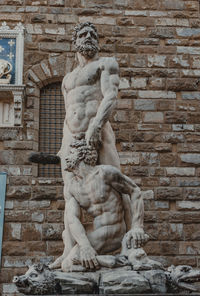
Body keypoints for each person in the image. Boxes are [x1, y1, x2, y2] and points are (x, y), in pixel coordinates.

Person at [51, 22, 122, 269]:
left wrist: (95, 126)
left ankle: (132, 247)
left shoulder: (106, 64)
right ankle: (69, 249)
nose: (89, 36)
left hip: (99, 133)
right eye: (83, 34)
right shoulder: (67, 78)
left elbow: (111, 96)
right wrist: (63, 145)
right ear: (75, 41)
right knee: (70, 191)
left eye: (93, 33)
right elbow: (68, 112)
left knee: (118, 183)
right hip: (71, 138)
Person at [50, 139, 148, 272]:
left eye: (70, 153)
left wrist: (137, 227)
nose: (66, 158)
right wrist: (85, 246)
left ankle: (106, 260)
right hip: (96, 231)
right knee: (67, 236)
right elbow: (72, 218)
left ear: (81, 155)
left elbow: (135, 191)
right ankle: (108, 261)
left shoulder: (105, 173)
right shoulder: (71, 186)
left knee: (68, 264)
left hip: (113, 230)